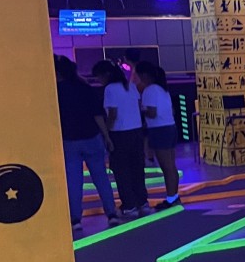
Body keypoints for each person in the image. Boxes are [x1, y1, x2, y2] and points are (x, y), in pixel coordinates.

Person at [54, 55, 119, 230]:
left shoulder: (55, 92)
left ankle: (75, 219)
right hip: (92, 138)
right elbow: (97, 115)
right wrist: (106, 137)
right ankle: (111, 213)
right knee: (101, 177)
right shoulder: (85, 88)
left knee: (74, 181)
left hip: (69, 141)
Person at [91, 60, 147, 217]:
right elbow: (138, 107)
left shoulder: (110, 89)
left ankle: (129, 204)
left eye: (99, 77)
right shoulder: (130, 86)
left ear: (106, 75)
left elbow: (113, 115)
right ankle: (142, 202)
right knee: (137, 168)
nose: (98, 81)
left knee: (122, 170)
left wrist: (106, 133)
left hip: (119, 133)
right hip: (136, 131)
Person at [135, 62, 178, 210]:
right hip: (170, 127)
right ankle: (173, 196)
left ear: (144, 75)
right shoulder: (162, 89)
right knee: (171, 166)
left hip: (159, 130)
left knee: (167, 167)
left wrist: (140, 110)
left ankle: (171, 199)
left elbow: (152, 113)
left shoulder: (149, 90)